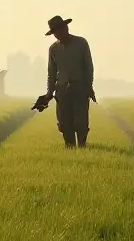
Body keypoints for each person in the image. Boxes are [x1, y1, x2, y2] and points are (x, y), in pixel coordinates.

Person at [34, 15, 96, 147]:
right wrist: (49, 93)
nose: (58, 33)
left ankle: (82, 146)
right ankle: (70, 147)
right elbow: (51, 73)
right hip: (62, 91)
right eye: (55, 32)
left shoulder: (81, 43)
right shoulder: (53, 49)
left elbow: (88, 67)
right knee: (64, 123)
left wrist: (88, 86)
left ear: (66, 28)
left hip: (79, 88)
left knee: (81, 122)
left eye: (61, 29)